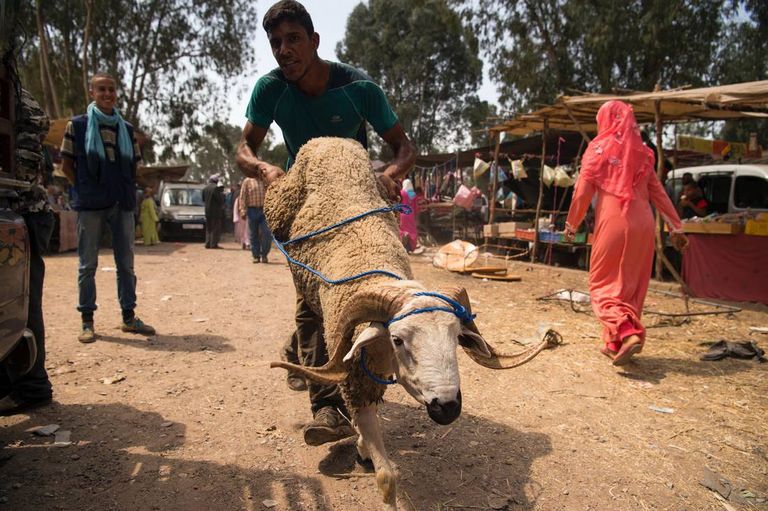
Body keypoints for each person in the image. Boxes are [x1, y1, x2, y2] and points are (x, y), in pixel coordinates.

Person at [235, 0, 416, 445]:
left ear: (314, 41)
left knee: (364, 292)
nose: (284, 50)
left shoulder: (359, 87)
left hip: (356, 202)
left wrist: (391, 176)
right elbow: (243, 147)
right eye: (276, 43)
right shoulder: (270, 89)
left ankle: (343, 373)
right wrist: (265, 169)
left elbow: (405, 148)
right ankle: (326, 408)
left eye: (293, 39)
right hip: (308, 206)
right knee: (312, 299)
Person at [564, 101, 688, 366]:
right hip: (644, 224)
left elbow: (583, 193)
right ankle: (614, 342)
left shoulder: (598, 150)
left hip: (614, 223)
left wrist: (572, 224)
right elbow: (660, 195)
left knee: (601, 284)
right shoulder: (642, 154)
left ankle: (626, 331)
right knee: (629, 284)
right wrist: (675, 226)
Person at [60, 73, 156, 344]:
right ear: (92, 92)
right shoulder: (77, 126)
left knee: (126, 264)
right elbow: (67, 167)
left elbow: (134, 167)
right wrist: (82, 187)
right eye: (101, 89)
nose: (107, 94)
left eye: (111, 90)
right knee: (87, 265)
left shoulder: (126, 130)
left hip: (122, 203)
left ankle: (129, 318)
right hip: (90, 204)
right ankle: (87, 321)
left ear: (116, 93)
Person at [0, 89, 55, 415]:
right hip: (19, 211)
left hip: (22, 212)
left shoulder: (20, 99)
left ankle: (31, 384)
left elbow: (23, 168)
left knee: (21, 300)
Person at [238, 175, 271, 263]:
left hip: (264, 211)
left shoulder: (265, 180)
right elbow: (242, 197)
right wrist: (242, 210)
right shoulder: (247, 181)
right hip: (251, 210)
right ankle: (256, 256)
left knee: (267, 233)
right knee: (253, 235)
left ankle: (264, 255)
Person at [202, 174, 225, 249]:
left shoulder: (205, 188)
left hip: (207, 211)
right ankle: (213, 244)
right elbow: (219, 200)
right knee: (215, 228)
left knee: (208, 228)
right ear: (216, 181)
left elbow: (203, 200)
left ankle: (207, 243)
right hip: (215, 212)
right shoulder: (215, 188)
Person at [399, 178, 419, 252]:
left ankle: (403, 243)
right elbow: (415, 207)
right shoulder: (413, 194)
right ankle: (409, 247)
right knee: (412, 231)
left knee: (402, 229)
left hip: (402, 214)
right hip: (410, 214)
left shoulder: (401, 193)